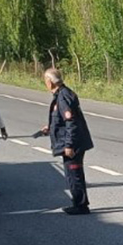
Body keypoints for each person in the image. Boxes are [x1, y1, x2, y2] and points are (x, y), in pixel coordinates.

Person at [33, 68, 94, 214]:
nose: (45, 83)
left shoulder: (63, 97)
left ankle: (80, 206)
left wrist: (69, 145)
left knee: (74, 175)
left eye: (45, 81)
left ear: (50, 82)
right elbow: (63, 119)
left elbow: (71, 122)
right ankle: (80, 203)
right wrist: (51, 127)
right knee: (73, 174)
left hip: (73, 144)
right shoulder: (63, 94)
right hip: (73, 141)